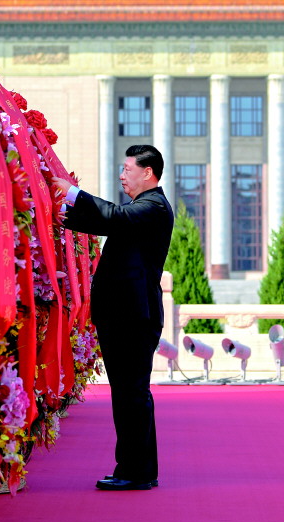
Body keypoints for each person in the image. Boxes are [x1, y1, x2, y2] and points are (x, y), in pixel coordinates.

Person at [52, 144, 174, 491]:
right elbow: (107, 222)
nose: (122, 176)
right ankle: (135, 469)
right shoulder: (140, 210)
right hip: (125, 315)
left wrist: (73, 193)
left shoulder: (153, 206)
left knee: (131, 394)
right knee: (127, 394)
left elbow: (115, 218)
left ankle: (136, 472)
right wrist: (65, 216)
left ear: (147, 173)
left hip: (133, 317)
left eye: (127, 169)